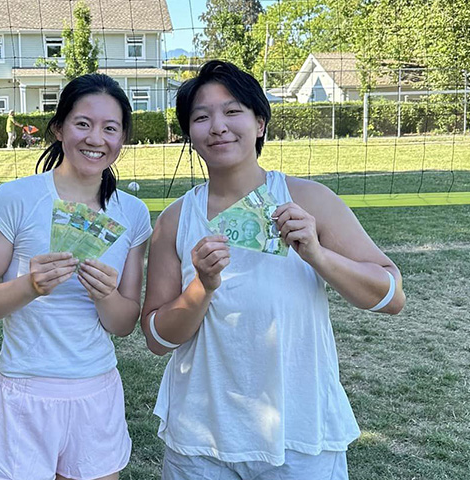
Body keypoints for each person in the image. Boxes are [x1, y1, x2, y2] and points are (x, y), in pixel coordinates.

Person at [141, 60, 406, 480]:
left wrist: (318, 255)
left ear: (260, 123)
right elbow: (157, 339)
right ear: (189, 133)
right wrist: (202, 287)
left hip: (299, 437)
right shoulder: (174, 220)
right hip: (201, 442)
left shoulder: (309, 200)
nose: (218, 127)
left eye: (233, 111)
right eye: (201, 117)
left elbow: (391, 296)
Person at [0, 73, 152, 480]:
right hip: (24, 394)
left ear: (122, 138)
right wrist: (29, 286)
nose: (96, 138)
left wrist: (105, 295)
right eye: (83, 123)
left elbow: (123, 324)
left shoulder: (132, 213)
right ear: (59, 128)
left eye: (110, 128)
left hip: (96, 393)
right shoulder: (14, 198)